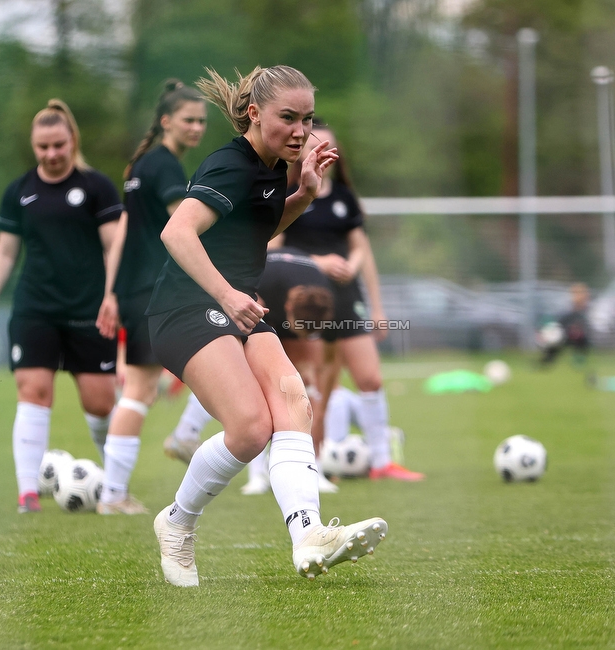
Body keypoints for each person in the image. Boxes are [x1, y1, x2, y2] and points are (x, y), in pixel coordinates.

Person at [148, 65, 387, 587]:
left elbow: (256, 230)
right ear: (254, 114)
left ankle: (309, 534)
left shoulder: (273, 167)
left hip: (235, 307)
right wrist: (228, 294)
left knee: (292, 401)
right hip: (185, 309)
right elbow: (177, 232)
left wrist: (301, 194)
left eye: (306, 119)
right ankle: (177, 523)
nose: (301, 131)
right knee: (252, 428)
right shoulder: (232, 165)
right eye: (288, 118)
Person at [0, 99, 123, 514]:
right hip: (35, 308)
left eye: (58, 145)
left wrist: (112, 295)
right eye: (43, 147)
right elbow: (5, 253)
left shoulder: (97, 187)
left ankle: (114, 486)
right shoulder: (19, 191)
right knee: (34, 392)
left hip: (89, 309)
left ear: (72, 140)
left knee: (99, 403)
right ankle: (27, 494)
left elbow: (114, 246)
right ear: (33, 147)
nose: (51, 154)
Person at [273, 121, 423, 482]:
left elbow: (361, 252)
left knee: (370, 378)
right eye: (319, 147)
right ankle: (313, 466)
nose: (328, 154)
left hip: (347, 299)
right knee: (316, 389)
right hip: (305, 306)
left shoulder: (343, 198)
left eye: (332, 149)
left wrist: (376, 303)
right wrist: (319, 263)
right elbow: (272, 251)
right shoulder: (288, 195)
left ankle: (382, 463)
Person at [97, 80, 208, 515]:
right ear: (166, 122)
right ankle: (113, 494)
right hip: (151, 291)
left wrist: (109, 292)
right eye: (189, 120)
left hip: (135, 290)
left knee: (154, 384)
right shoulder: (163, 167)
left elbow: (123, 234)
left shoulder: (142, 164)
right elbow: (183, 228)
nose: (197, 127)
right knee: (140, 390)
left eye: (201, 120)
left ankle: (184, 436)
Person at [239, 246, 337, 495]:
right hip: (253, 310)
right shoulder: (264, 282)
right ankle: (257, 475)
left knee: (310, 390)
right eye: (302, 331)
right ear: (289, 309)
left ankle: (316, 469)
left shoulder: (322, 295)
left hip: (285, 306)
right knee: (259, 391)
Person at [537, 283, 591, 368]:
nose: (578, 296)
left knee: (581, 340)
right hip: (564, 333)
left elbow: (586, 325)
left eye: (580, 293)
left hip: (578, 336)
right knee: (555, 339)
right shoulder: (567, 307)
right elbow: (559, 322)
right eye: (576, 293)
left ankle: (579, 360)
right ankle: (547, 361)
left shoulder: (586, 308)